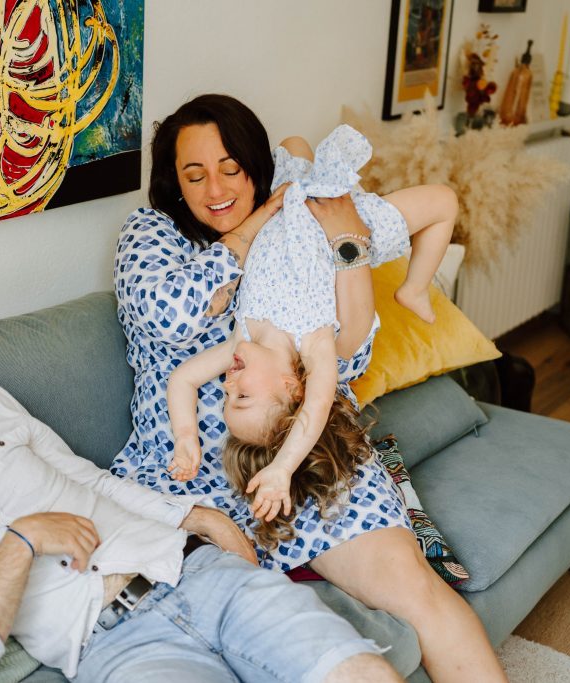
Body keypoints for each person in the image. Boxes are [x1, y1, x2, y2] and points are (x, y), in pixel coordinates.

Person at [112, 94, 507, 682]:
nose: (215, 189)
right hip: (193, 475)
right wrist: (249, 232)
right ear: (174, 181)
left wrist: (348, 248)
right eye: (194, 175)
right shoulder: (150, 234)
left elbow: (347, 355)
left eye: (231, 169)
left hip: (306, 452)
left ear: (255, 166)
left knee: (415, 588)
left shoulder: (296, 227)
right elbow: (169, 314)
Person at [0, 317, 402, 683]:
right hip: (115, 647)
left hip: (194, 570)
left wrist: (202, 518)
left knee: (357, 672)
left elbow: (90, 479)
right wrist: (20, 543)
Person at [165, 125, 454, 543]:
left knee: (294, 143)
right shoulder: (315, 345)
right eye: (242, 396)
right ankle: (415, 288)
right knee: (444, 202)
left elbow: (183, 379)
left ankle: (415, 285)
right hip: (343, 220)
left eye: (227, 396)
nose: (228, 384)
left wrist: (186, 439)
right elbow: (316, 407)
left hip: (287, 200)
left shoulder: (239, 341)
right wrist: (281, 468)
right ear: (292, 387)